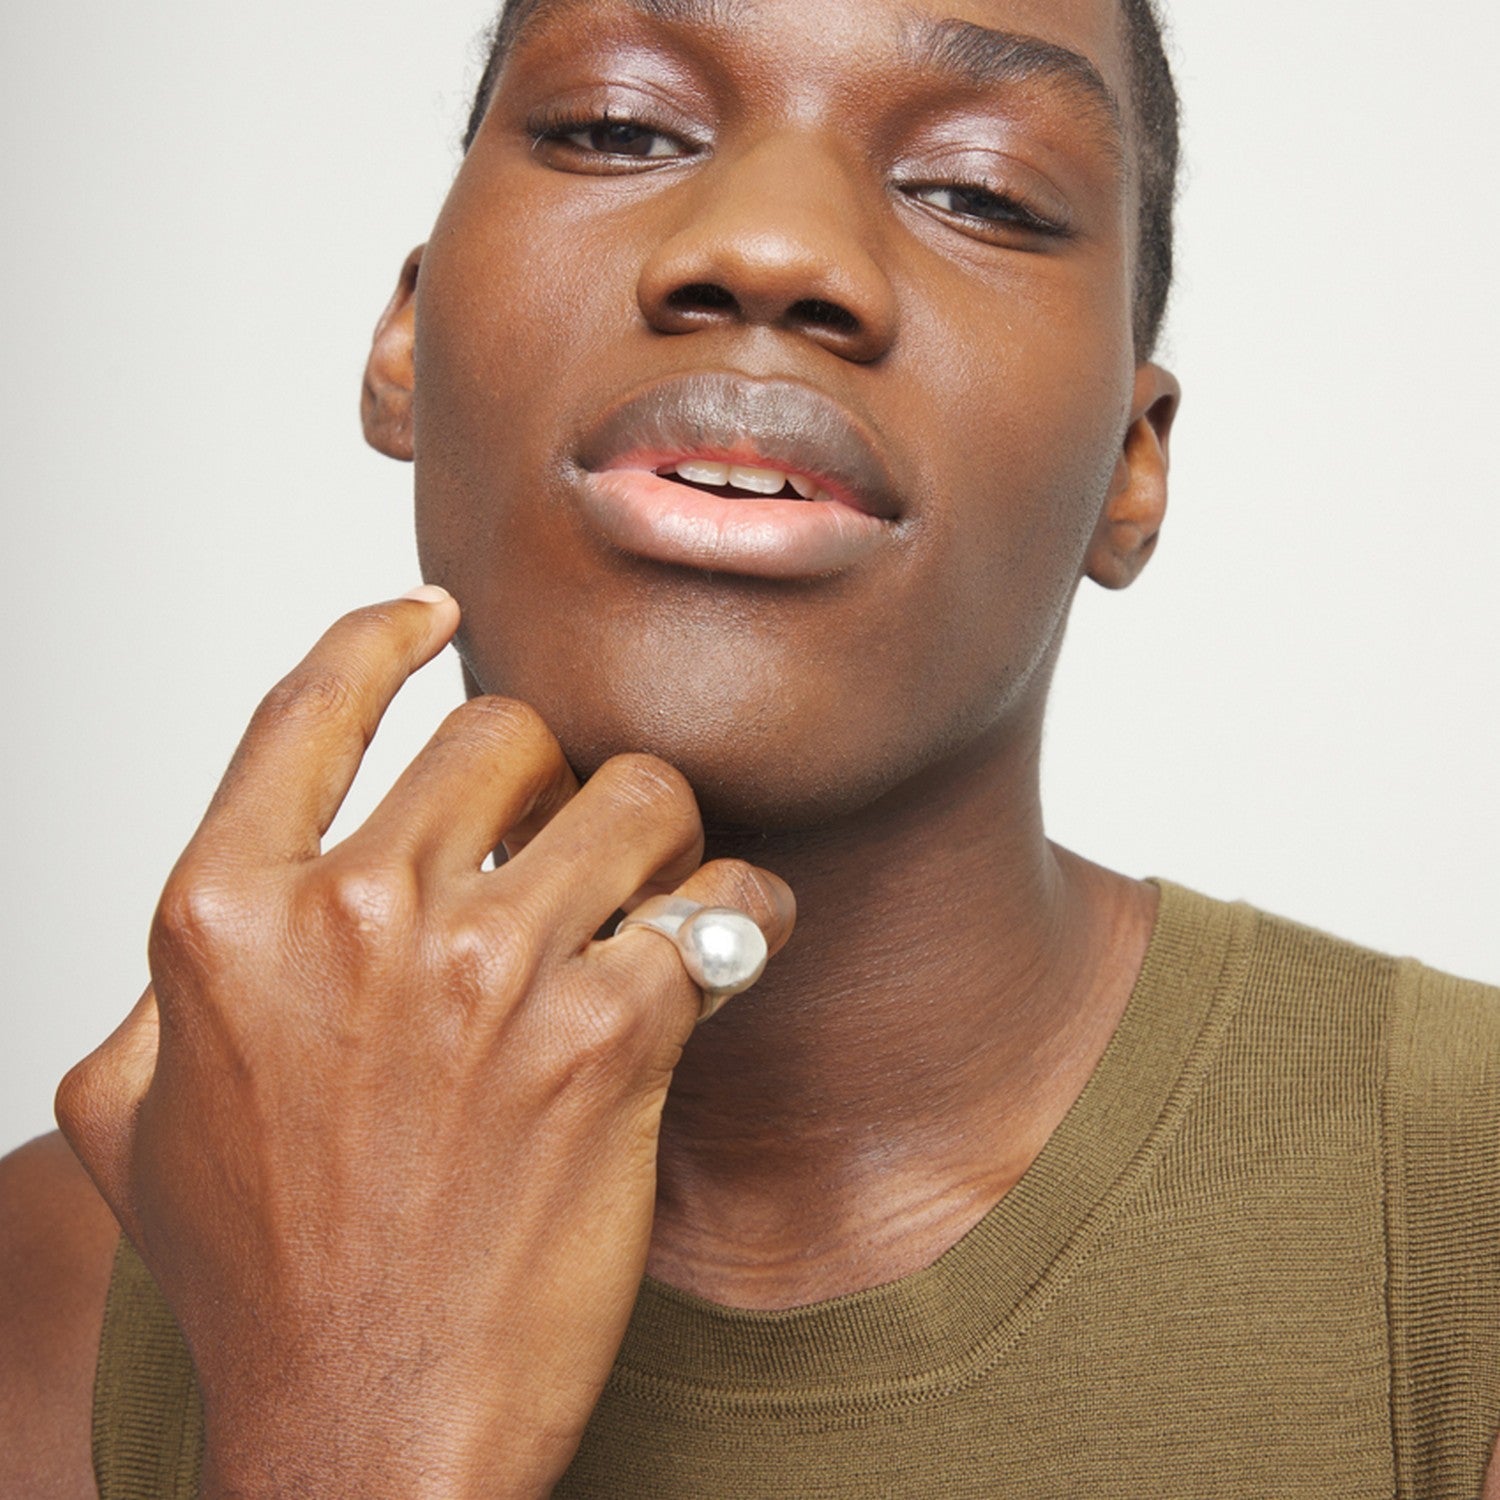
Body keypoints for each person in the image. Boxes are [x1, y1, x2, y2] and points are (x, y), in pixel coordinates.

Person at [2, 0, 1496, 1494]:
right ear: (408, 337)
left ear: (1129, 463)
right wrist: (347, 1421)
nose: (774, 249)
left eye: (978, 192)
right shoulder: (56, 1284)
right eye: (617, 128)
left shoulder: (1458, 1206)